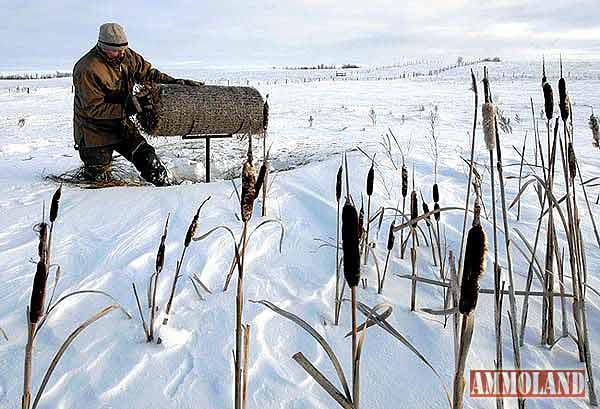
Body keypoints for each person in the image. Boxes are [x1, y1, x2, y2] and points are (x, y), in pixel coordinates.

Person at [73, 22, 203, 186]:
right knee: (99, 181)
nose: (121, 53)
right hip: (94, 132)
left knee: (146, 156)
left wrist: (174, 83)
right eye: (115, 50)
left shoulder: (126, 55)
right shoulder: (87, 68)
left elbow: (148, 74)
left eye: (123, 48)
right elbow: (93, 109)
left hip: (120, 124)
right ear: (102, 46)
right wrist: (130, 107)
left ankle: (168, 188)